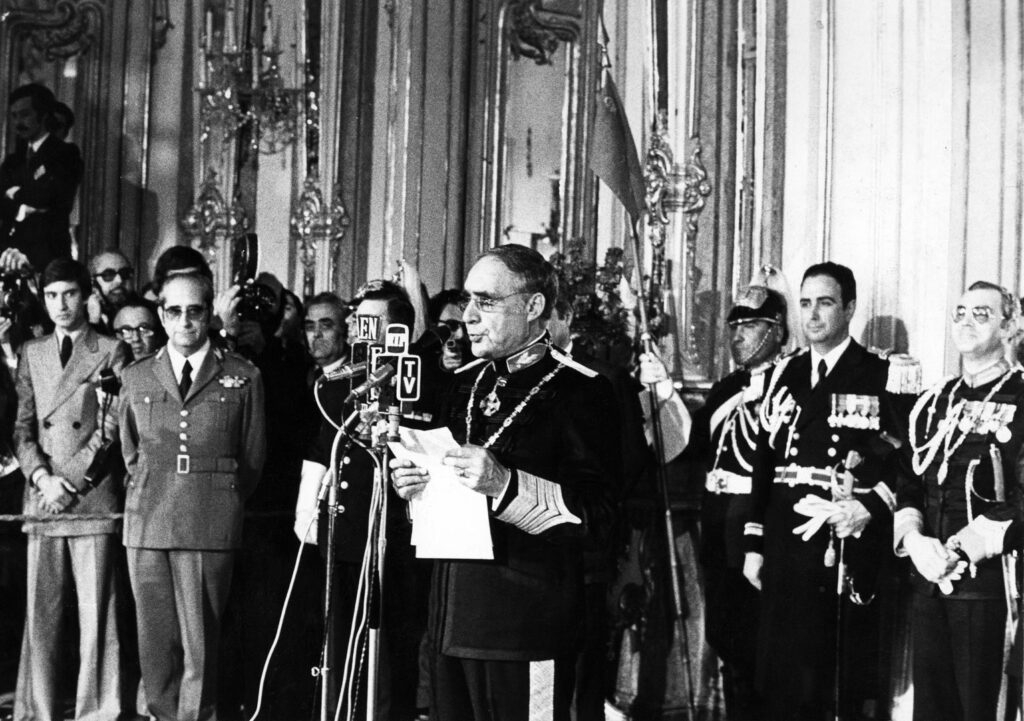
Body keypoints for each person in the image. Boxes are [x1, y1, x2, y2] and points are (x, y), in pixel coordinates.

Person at [390, 245, 619, 721]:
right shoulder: (462, 384)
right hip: (450, 619)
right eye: (470, 301)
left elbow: (601, 516)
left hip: (525, 626)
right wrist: (415, 486)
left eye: (487, 301)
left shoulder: (582, 391)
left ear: (534, 307)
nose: (469, 317)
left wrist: (506, 485)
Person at [742, 261, 919, 720]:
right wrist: (754, 543)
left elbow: (907, 463)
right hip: (784, 539)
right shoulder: (785, 374)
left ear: (850, 308)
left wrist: (870, 508)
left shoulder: (880, 374)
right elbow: (765, 461)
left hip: (840, 543)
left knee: (833, 676)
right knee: (780, 674)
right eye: (805, 304)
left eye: (825, 303)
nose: (813, 315)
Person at [119, 271, 266, 721]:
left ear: (210, 316)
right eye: (175, 311)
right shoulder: (137, 376)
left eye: (195, 311)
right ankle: (162, 715)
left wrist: (220, 499)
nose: (185, 321)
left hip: (209, 522)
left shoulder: (242, 377)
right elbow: (130, 452)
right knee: (155, 642)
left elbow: (253, 458)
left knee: (202, 644)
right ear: (162, 316)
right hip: (147, 523)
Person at [296, 280, 430, 720]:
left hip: (403, 545)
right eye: (357, 320)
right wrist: (307, 517)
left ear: (399, 333)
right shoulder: (342, 384)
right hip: (347, 538)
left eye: (369, 321)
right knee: (341, 649)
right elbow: (321, 451)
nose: (357, 329)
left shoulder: (423, 384)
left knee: (394, 654)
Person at [894, 281, 1024, 721]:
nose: (966, 322)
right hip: (928, 582)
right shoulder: (934, 402)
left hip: (987, 589)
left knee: (981, 711)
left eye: (982, 314)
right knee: (932, 710)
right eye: (960, 313)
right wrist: (913, 540)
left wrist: (961, 548)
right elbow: (909, 483)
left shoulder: (1021, 398)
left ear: (1010, 327)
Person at [13, 258, 126, 721]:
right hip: (42, 500)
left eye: (70, 293)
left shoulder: (113, 349)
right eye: (52, 295)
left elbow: (112, 426)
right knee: (40, 617)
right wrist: (42, 477)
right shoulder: (31, 351)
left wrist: (71, 482)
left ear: (87, 295)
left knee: (96, 617)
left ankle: (98, 710)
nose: (61, 304)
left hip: (90, 497)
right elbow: (21, 429)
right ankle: (35, 709)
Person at [685, 284, 788, 720]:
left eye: (751, 326)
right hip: (718, 527)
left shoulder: (792, 385)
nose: (738, 336)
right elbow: (695, 450)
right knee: (726, 640)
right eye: (735, 327)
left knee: (762, 647)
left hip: (761, 530)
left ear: (778, 331)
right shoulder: (726, 387)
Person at [547, 294, 649, 718]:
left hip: (588, 549)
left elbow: (628, 467)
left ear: (565, 318)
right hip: (533, 555)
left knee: (586, 670)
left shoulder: (603, 379)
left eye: (544, 316)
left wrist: (623, 552)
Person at [0, 84, 82, 273]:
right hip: (9, 256)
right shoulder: (14, 160)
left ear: (43, 115)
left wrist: (16, 193)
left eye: (25, 114)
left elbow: (51, 196)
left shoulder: (65, 153)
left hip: (47, 257)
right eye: (14, 116)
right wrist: (24, 208)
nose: (18, 122)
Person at [88, 250, 137, 333]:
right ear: (93, 282)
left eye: (124, 273)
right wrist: (94, 320)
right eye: (108, 275)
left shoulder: (151, 311)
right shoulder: (80, 316)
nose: (119, 280)